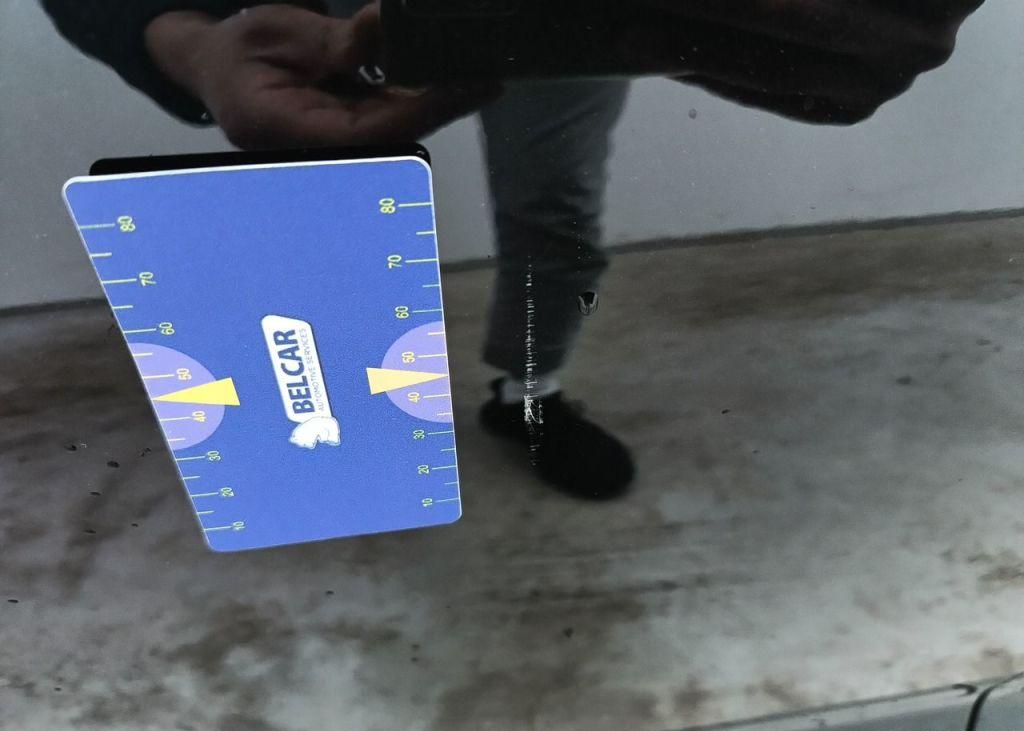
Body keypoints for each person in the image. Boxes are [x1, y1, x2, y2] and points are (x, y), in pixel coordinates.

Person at [41, 0, 983, 499]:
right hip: (325, 9)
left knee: (556, 216)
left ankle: (527, 398)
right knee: (314, 218)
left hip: (550, 15)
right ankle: (328, 421)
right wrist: (190, 38)